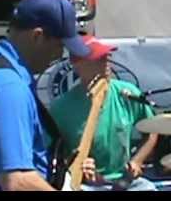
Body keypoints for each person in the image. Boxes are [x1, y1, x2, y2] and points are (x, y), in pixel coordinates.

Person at [0, 0, 96, 191]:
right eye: (59, 46)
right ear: (37, 36)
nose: (60, 55)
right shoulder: (8, 88)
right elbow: (17, 181)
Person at [50, 35, 159, 191]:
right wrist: (76, 166)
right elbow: (51, 157)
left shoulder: (126, 93)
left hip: (126, 182)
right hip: (86, 186)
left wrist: (137, 161)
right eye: (99, 58)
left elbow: (152, 131)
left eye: (107, 57)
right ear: (77, 64)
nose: (107, 62)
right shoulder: (61, 108)